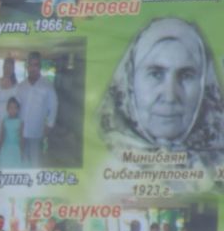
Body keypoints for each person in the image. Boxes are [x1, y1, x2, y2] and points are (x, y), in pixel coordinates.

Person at [96, 16, 224, 166]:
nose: (170, 96)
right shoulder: (100, 167)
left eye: (186, 75)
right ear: (130, 81)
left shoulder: (216, 170)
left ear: (203, 85)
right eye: (156, 74)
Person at [14, 51, 58, 166]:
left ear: (40, 67)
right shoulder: (21, 86)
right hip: (21, 133)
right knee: (21, 160)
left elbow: (53, 107)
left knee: (35, 163)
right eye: (31, 65)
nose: (33, 68)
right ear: (27, 66)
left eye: (36, 65)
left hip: (37, 132)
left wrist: (49, 126)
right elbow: (15, 108)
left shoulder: (47, 86)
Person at [0, 96, 28, 169]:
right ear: (7, 109)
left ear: (18, 109)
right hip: (6, 148)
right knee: (5, 165)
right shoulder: (4, 120)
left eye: (15, 108)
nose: (13, 110)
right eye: (10, 108)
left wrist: (21, 151)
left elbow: (21, 138)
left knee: (16, 167)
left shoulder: (20, 122)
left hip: (16, 149)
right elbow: (2, 136)